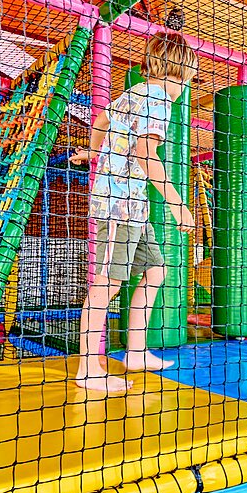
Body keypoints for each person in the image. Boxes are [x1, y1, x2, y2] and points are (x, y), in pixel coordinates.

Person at [69, 33, 197, 392]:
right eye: (188, 79)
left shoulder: (134, 93)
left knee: (155, 269)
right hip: (119, 204)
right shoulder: (159, 101)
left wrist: (93, 154)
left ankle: (136, 351)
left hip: (134, 204)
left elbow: (100, 123)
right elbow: (145, 153)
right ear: (180, 73)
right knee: (106, 285)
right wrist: (177, 204)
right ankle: (88, 370)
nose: (185, 87)